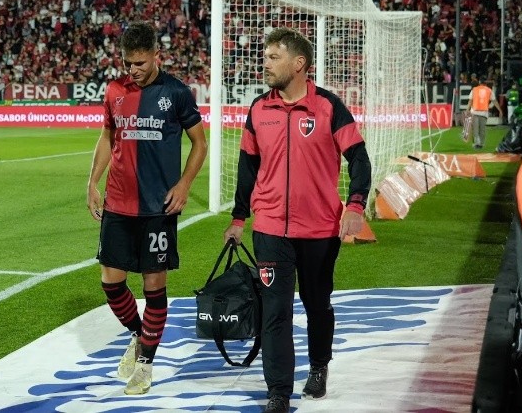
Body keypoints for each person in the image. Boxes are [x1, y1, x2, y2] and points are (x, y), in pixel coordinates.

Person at [223, 27, 372, 413]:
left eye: (274, 57)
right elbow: (247, 167)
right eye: (266, 56)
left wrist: (355, 205)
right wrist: (239, 218)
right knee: (275, 310)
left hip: (320, 228)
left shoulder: (328, 106)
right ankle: (278, 391)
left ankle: (319, 366)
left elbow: (358, 158)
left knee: (316, 303)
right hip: (270, 228)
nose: (266, 63)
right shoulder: (259, 109)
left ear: (299, 63)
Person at [86, 21, 207, 396]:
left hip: (157, 207)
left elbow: (199, 143)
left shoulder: (177, 93)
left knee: (154, 287)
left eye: (140, 63)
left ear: (157, 55)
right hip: (118, 202)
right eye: (127, 62)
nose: (133, 69)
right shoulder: (114, 90)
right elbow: (107, 135)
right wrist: (92, 182)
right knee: (111, 282)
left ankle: (145, 365)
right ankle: (140, 336)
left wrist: (184, 185)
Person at [466, 79, 503, 150]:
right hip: (484, 113)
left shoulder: (474, 90)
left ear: (479, 82)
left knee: (475, 129)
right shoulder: (489, 90)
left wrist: (467, 110)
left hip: (474, 112)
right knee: (482, 129)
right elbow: (494, 101)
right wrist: (500, 110)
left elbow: (470, 101)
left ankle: (476, 143)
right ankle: (481, 144)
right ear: (485, 83)